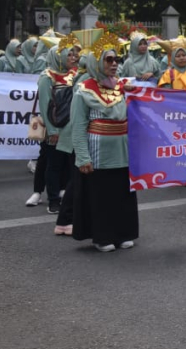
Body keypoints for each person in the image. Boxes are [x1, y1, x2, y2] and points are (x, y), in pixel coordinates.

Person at [69, 41, 137, 252]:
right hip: (98, 155)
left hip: (123, 152)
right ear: (96, 62)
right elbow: (78, 126)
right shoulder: (83, 90)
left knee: (123, 194)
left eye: (116, 59)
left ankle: (123, 233)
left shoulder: (122, 87)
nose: (114, 64)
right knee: (101, 197)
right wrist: (82, 157)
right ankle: (102, 236)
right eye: (109, 60)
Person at [30, 43, 79, 214]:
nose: (74, 58)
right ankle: (53, 200)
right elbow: (45, 105)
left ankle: (67, 195)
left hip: (72, 127)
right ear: (58, 57)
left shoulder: (75, 74)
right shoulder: (47, 77)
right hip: (57, 127)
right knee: (54, 164)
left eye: (74, 55)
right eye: (69, 55)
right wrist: (52, 130)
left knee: (71, 163)